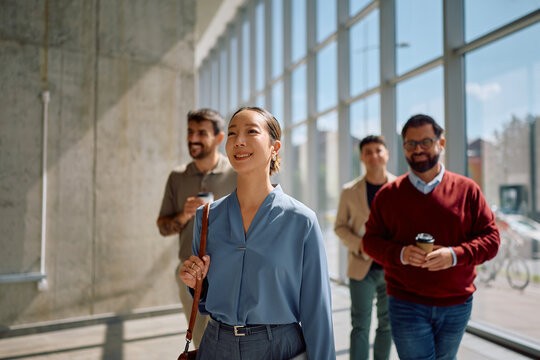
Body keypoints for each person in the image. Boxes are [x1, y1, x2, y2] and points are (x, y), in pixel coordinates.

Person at [180, 107, 336, 359]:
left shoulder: (301, 221)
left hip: (278, 348)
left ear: (275, 147)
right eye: (232, 133)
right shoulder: (207, 217)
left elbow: (316, 310)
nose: (238, 140)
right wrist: (195, 283)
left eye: (251, 131)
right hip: (216, 345)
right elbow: (206, 301)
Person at [362, 114, 500, 360]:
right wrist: (401, 254)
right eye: (411, 144)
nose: (418, 149)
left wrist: (454, 255)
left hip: (457, 303)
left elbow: (491, 240)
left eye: (426, 142)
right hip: (406, 302)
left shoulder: (468, 190)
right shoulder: (387, 195)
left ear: (441, 143)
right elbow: (370, 241)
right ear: (404, 147)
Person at [156, 108, 236, 348]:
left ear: (219, 138)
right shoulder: (177, 177)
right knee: (202, 342)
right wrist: (185, 214)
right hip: (189, 272)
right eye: (190, 132)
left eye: (202, 132)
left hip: (229, 270)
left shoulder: (236, 174)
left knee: (230, 340)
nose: (193, 138)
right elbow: (163, 227)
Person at [334, 135, 396, 360]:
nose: (374, 156)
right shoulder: (350, 191)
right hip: (361, 268)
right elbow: (340, 226)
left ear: (386, 154)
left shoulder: (400, 188)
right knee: (360, 325)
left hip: (391, 269)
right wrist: (362, 246)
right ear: (361, 156)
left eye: (378, 150)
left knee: (387, 325)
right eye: (368, 151)